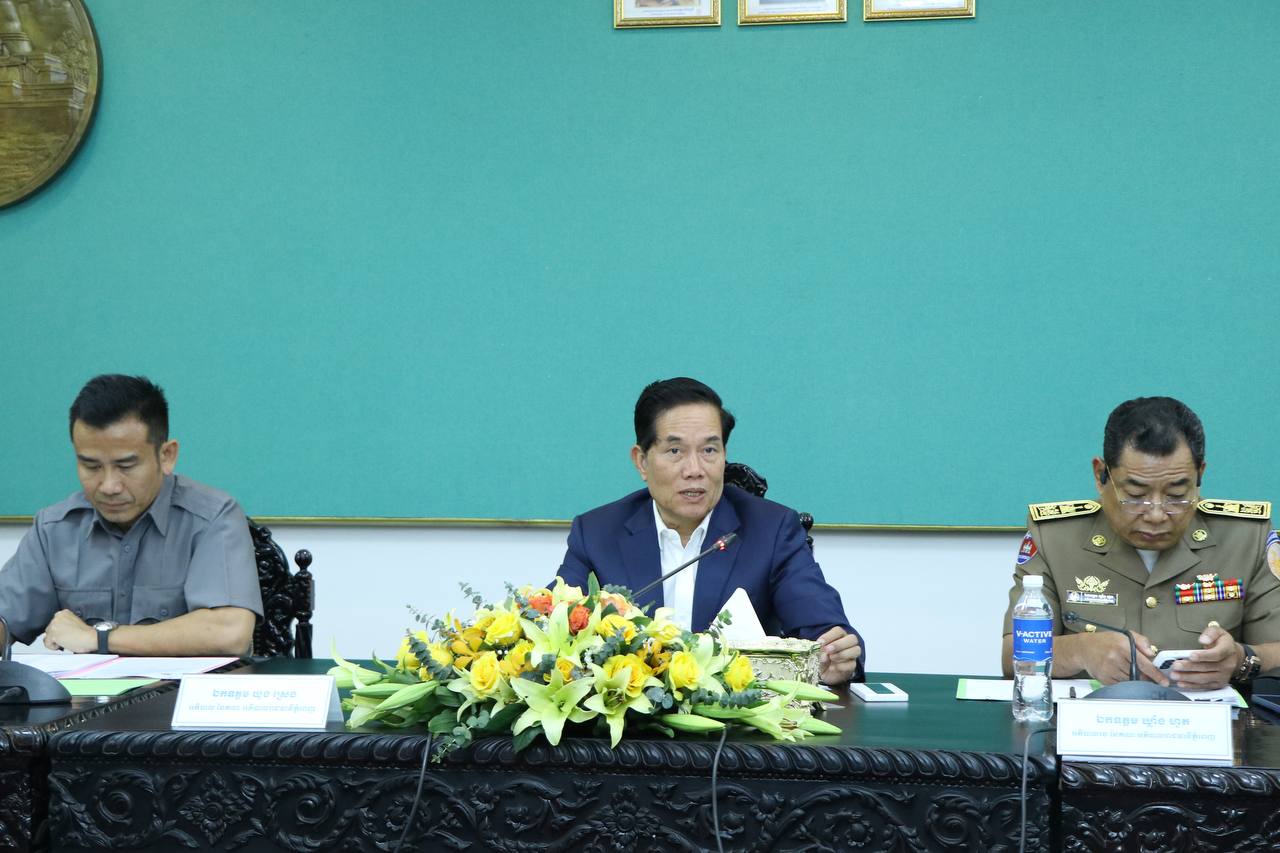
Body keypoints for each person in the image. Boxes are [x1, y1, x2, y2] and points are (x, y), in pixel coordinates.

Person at [558, 377, 863, 684]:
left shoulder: (771, 530)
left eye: (709, 450)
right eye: (675, 451)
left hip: (739, 710)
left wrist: (835, 657)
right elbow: (553, 633)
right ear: (642, 462)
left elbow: (824, 632)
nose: (695, 469)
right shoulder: (597, 534)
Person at [1001, 396, 1280, 691]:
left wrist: (1242, 659)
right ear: (1100, 476)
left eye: (1176, 495)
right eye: (1135, 496)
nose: (1156, 515)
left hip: (1215, 717)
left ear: (1200, 475)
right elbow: (1011, 657)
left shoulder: (1246, 537)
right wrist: (1081, 649)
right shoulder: (1055, 538)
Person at [0, 375, 262, 656]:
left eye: (126, 466)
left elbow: (229, 632)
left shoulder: (213, 519)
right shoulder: (54, 528)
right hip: (85, 687)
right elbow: (5, 617)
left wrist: (99, 638)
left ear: (167, 455)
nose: (109, 486)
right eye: (91, 466)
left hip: (181, 686)